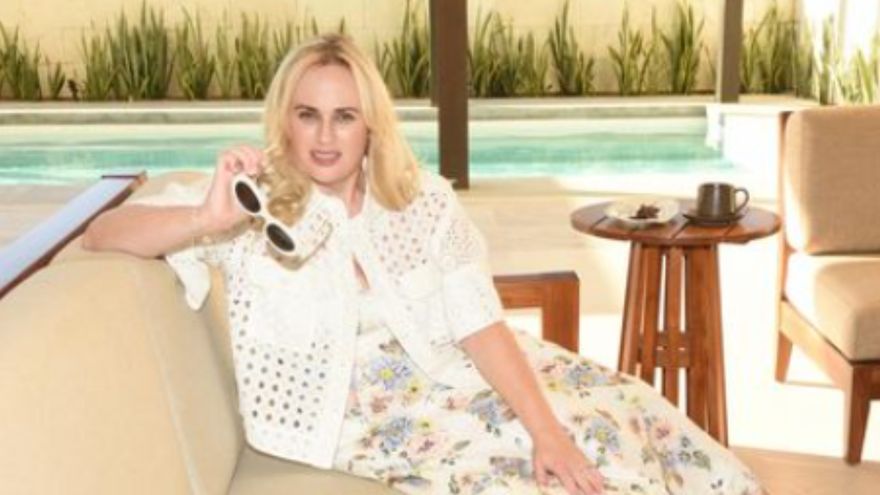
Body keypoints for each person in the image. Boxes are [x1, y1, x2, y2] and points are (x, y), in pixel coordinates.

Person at [82, 34, 762, 495]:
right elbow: (103, 232)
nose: (325, 136)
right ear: (284, 120)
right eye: (308, 115)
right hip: (364, 416)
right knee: (573, 477)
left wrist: (547, 428)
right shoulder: (250, 206)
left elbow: (479, 324)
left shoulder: (422, 199)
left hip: (457, 372)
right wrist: (205, 219)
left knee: (631, 411)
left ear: (371, 124)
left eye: (345, 116)